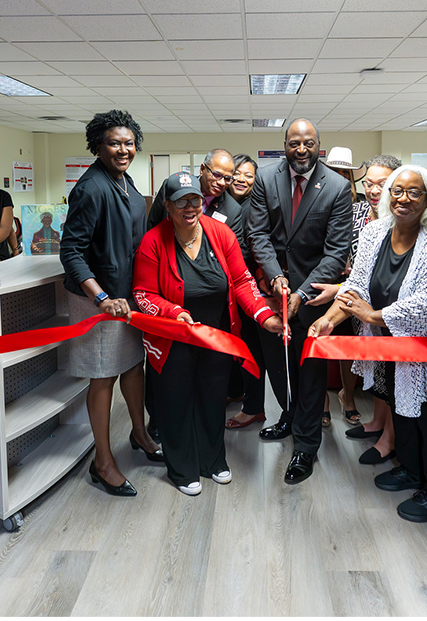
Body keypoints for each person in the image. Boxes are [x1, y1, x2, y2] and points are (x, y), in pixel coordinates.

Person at [309, 164, 427, 522]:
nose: (403, 198)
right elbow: (357, 285)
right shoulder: (376, 232)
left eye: (414, 192)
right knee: (402, 406)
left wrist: (373, 316)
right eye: (397, 190)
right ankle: (412, 470)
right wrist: (328, 320)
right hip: (395, 343)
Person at [133, 171, 283, 496]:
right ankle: (182, 467)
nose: (190, 207)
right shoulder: (153, 241)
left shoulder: (221, 233)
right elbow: (143, 294)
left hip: (217, 336)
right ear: (168, 206)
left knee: (213, 400)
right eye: (181, 201)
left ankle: (213, 459)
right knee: (176, 402)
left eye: (195, 200)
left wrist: (264, 317)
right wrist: (174, 312)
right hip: (174, 338)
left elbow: (242, 281)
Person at [60, 109, 163, 499]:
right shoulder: (90, 188)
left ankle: (139, 434)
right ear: (97, 146)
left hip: (129, 296)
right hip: (100, 301)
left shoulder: (124, 180)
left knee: (133, 368)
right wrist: (101, 297)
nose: (123, 149)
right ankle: (102, 463)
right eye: (114, 143)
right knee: (103, 378)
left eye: (129, 143)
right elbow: (71, 251)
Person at [248, 118, 352, 484]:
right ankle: (288, 418)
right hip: (272, 292)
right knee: (278, 366)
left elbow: (336, 251)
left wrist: (301, 293)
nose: (301, 149)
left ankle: (306, 447)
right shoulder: (265, 178)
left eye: (308, 143)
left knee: (309, 375)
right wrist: (276, 278)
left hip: (314, 297)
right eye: (294, 143)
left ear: (318, 146)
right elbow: (257, 232)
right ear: (285, 145)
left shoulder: (337, 187)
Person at [309, 154, 403, 465]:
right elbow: (358, 270)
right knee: (378, 367)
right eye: (369, 184)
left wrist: (344, 291)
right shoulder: (360, 212)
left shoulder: (404, 219)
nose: (375, 190)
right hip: (360, 302)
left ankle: (390, 437)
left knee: (395, 373)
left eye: (383, 183)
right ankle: (377, 422)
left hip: (392, 311)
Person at [320, 146, 367, 428]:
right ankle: (322, 404)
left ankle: (347, 397)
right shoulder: (318, 202)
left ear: (350, 177)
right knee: (323, 341)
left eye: (344, 173)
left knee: (349, 346)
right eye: (333, 171)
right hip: (324, 282)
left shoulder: (363, 207)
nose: (339, 176)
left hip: (355, 286)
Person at [223, 154, 269, 430]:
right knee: (229, 345)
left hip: (249, 288)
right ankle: (236, 391)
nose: (241, 179)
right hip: (224, 290)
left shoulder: (256, 206)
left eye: (248, 175)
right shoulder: (220, 203)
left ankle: (254, 408)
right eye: (237, 173)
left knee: (251, 349)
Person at [147, 149, 242, 234]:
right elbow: (152, 225)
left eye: (227, 178)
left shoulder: (232, 210)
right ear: (202, 169)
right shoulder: (172, 187)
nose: (222, 183)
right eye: (216, 175)